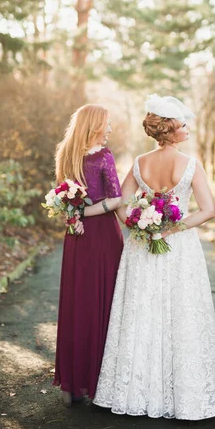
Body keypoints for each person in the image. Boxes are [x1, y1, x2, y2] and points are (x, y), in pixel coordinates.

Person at [93, 94, 215, 420]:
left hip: (142, 245)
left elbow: (119, 203)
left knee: (142, 313)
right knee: (181, 313)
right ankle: (184, 396)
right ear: (170, 129)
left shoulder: (140, 162)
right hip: (178, 246)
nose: (188, 129)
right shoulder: (191, 164)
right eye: (183, 125)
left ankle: (136, 390)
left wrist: (138, 224)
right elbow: (209, 211)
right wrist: (174, 227)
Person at [53, 104, 123, 407]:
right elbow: (115, 198)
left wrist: (75, 215)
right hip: (102, 236)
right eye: (105, 124)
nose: (108, 130)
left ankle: (72, 383)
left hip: (76, 237)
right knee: (106, 301)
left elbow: (62, 199)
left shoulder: (65, 154)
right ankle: (100, 380)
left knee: (77, 303)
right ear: (94, 125)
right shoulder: (103, 157)